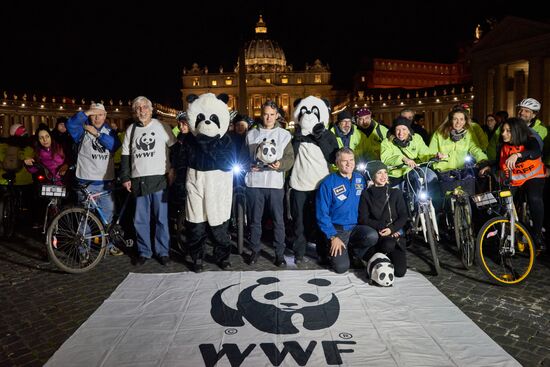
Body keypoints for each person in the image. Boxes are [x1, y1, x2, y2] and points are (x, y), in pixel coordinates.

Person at [120, 96, 176, 266]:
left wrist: (172, 169)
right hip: (138, 180)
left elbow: (174, 149)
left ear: (151, 110)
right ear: (135, 112)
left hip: (159, 178)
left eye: (144, 107)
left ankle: (163, 251)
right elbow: (125, 156)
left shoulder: (162, 126)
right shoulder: (131, 130)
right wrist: (125, 177)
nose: (141, 111)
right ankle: (144, 251)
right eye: (138, 108)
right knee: (140, 219)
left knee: (161, 219)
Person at [242, 100, 294, 267]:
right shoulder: (251, 134)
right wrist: (247, 165)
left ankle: (279, 254)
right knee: (255, 220)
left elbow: (290, 158)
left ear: (277, 115)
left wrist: (280, 165)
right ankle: (255, 250)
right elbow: (243, 157)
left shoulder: (284, 135)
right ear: (261, 114)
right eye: (266, 114)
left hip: (275, 183)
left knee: (279, 220)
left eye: (272, 114)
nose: (269, 117)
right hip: (254, 183)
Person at [66, 102, 122, 256]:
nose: (97, 118)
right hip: (86, 182)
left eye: (100, 115)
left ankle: (109, 244)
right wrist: (87, 112)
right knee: (86, 219)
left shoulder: (109, 131)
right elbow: (70, 124)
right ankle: (83, 250)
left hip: (105, 182)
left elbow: (114, 145)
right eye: (94, 115)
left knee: (108, 217)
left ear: (105, 116)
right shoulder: (81, 131)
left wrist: (96, 133)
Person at [316, 148, 373, 273]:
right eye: (344, 161)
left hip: (355, 228)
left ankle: (354, 253)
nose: (349, 163)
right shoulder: (328, 183)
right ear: (337, 163)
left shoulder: (360, 179)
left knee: (372, 236)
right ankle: (330, 248)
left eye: (351, 160)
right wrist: (333, 236)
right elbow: (322, 214)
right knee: (341, 268)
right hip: (337, 230)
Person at [496, 117, 546, 252]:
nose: (503, 134)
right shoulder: (502, 146)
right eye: (503, 130)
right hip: (514, 179)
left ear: (517, 131)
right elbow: (498, 164)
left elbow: (535, 152)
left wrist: (518, 155)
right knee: (503, 203)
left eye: (508, 131)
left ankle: (536, 234)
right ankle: (505, 235)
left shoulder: (530, 140)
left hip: (533, 176)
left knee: (534, 199)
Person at [358, 161, 408, 277]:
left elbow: (403, 215)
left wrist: (392, 229)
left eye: (385, 172)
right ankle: (373, 254)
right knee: (386, 245)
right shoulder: (366, 194)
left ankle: (388, 256)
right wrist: (381, 227)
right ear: (372, 176)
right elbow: (363, 219)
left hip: (394, 235)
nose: (383, 176)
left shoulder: (395, 193)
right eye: (379, 173)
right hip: (378, 235)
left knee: (400, 272)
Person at [24, 124, 69, 227]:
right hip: (50, 184)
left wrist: (66, 166)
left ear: (51, 136)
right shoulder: (38, 152)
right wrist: (28, 164)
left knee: (65, 210)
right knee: (49, 208)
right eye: (41, 137)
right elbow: (34, 169)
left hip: (64, 182)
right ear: (38, 140)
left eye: (47, 136)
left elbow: (70, 160)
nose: (45, 140)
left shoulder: (61, 147)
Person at [380, 116, 438, 194]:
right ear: (394, 130)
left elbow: (424, 153)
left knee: (431, 176)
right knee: (396, 196)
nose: (401, 133)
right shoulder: (386, 142)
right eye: (398, 129)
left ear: (409, 130)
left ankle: (430, 202)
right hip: (396, 173)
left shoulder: (416, 138)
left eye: (404, 129)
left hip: (414, 169)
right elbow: (386, 159)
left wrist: (434, 156)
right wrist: (403, 159)